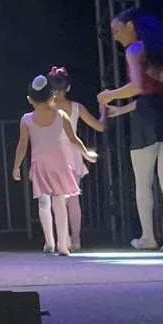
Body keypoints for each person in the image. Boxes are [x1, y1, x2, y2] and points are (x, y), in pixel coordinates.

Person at [97, 8, 163, 251]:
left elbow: (137, 87)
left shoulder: (134, 50)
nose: (116, 37)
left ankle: (148, 236)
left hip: (147, 120)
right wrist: (122, 109)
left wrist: (110, 95)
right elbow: (153, 94)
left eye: (117, 30)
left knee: (143, 181)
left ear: (130, 26)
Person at [13, 75, 97, 257]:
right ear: (51, 96)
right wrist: (87, 155)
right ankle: (63, 245)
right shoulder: (61, 116)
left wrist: (16, 166)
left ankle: (49, 241)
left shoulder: (26, 119)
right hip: (60, 163)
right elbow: (74, 140)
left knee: (43, 202)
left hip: (40, 164)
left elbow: (22, 145)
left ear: (29, 99)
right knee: (60, 203)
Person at [47, 65, 105, 253]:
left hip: (54, 153)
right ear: (68, 87)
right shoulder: (76, 107)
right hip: (73, 152)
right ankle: (76, 239)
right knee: (73, 200)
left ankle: (63, 239)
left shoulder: (46, 107)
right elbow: (100, 127)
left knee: (58, 200)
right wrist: (104, 110)